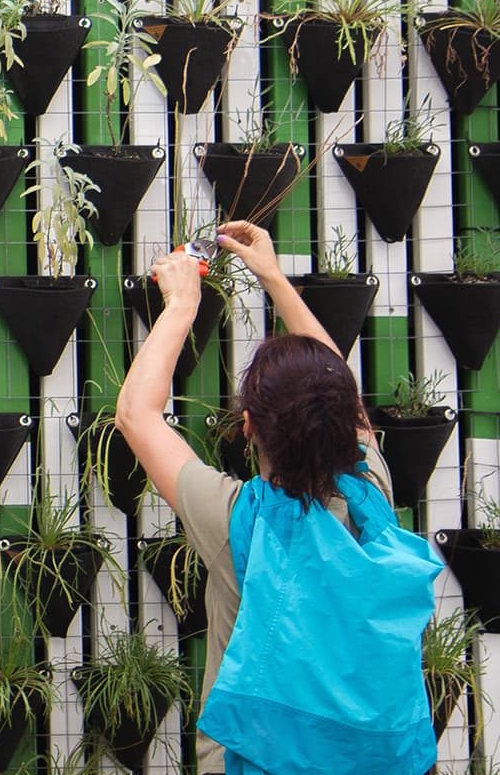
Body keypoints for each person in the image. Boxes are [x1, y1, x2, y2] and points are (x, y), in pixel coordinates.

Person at [116, 220, 441, 775]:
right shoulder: (372, 495)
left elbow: (135, 415)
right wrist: (274, 277)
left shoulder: (239, 522)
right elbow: (340, 390)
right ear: (346, 422)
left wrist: (180, 305)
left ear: (247, 426)